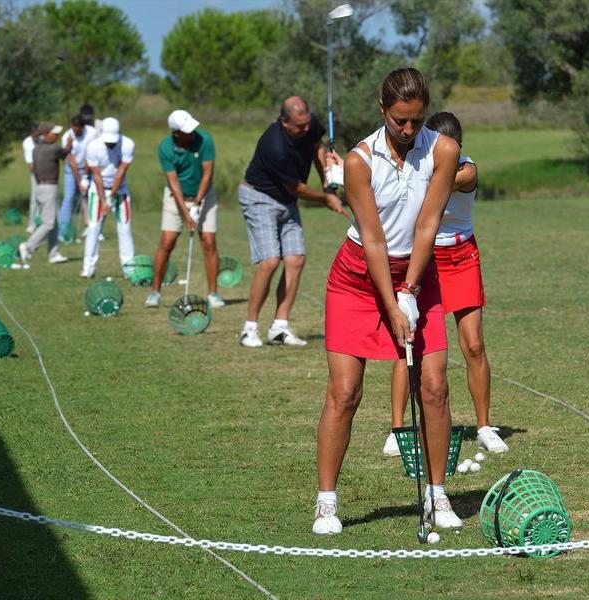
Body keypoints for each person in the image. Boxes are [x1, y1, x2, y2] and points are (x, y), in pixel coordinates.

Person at [313, 68, 462, 535]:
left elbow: (427, 225)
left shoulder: (443, 150)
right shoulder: (360, 160)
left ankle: (438, 497)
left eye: (416, 121)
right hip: (358, 279)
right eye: (399, 120)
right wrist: (393, 302)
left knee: (434, 387)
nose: (407, 130)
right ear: (383, 110)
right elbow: (374, 240)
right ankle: (327, 503)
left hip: (418, 275)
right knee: (345, 393)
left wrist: (411, 292)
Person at [382, 112, 508, 458]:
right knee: (408, 341)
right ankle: (398, 429)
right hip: (425, 259)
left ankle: (483, 426)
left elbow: (442, 182)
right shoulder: (417, 166)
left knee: (474, 344)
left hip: (462, 257)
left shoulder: (467, 171)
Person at [238, 96, 347, 348]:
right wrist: (325, 198)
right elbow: (296, 188)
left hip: (286, 200)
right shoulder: (274, 144)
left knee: (296, 259)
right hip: (260, 197)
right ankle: (249, 329)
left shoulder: (307, 126)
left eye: (308, 123)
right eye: (300, 126)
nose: (306, 129)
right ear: (284, 122)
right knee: (270, 261)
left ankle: (279, 327)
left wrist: (328, 183)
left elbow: (317, 147)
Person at [146, 109, 224, 308]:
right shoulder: (165, 148)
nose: (193, 132)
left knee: (208, 242)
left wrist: (197, 204)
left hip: (205, 195)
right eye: (187, 130)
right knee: (167, 242)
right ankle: (155, 292)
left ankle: (213, 294)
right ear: (176, 133)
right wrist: (185, 212)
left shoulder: (205, 140)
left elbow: (208, 174)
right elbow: (173, 183)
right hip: (176, 198)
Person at [80, 117, 135, 278]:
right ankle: (88, 268)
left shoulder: (128, 144)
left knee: (124, 228)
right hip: (97, 191)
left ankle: (128, 269)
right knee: (93, 228)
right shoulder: (93, 147)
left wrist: (111, 197)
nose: (110, 144)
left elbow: (121, 172)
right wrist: (104, 200)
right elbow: (96, 176)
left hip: (121, 190)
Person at [18, 122, 72, 264]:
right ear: (46, 134)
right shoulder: (53, 149)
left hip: (40, 186)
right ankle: (28, 246)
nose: (57, 136)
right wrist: (69, 144)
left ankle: (53, 254)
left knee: (53, 221)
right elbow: (65, 153)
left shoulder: (36, 149)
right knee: (49, 223)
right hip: (49, 187)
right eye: (54, 133)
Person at [58, 114, 98, 243]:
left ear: (83, 127)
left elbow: (90, 155)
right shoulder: (67, 137)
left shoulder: (91, 133)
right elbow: (72, 162)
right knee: (68, 198)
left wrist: (85, 177)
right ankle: (63, 232)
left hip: (89, 166)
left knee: (90, 196)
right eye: (74, 129)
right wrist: (79, 181)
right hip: (72, 170)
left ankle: (91, 228)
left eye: (78, 130)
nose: (76, 132)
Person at [21, 124, 40, 233]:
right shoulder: (27, 143)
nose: (37, 137)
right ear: (31, 134)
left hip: (45, 171)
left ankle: (40, 222)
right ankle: (32, 224)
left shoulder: (41, 140)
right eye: (35, 135)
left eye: (38, 135)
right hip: (35, 172)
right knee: (35, 198)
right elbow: (31, 165)